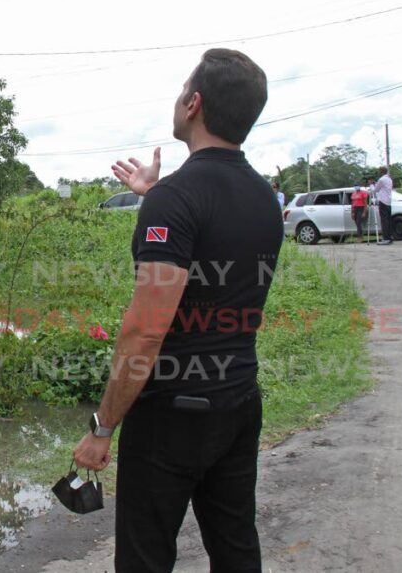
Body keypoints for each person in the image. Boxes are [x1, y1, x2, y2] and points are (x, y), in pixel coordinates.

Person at [73, 49, 283, 572]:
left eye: (180, 90)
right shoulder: (264, 196)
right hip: (238, 400)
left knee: (145, 557)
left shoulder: (179, 198)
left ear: (193, 103)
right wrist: (156, 195)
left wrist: (102, 428)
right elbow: (217, 237)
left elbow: (145, 331)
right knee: (235, 546)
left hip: (172, 413)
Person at [372, 166, 394, 245]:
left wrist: (372, 185)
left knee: (384, 220)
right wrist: (376, 183)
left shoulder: (381, 179)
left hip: (382, 201)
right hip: (388, 201)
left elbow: (375, 190)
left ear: (381, 172)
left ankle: (386, 238)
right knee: (388, 220)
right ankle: (389, 236)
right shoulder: (389, 179)